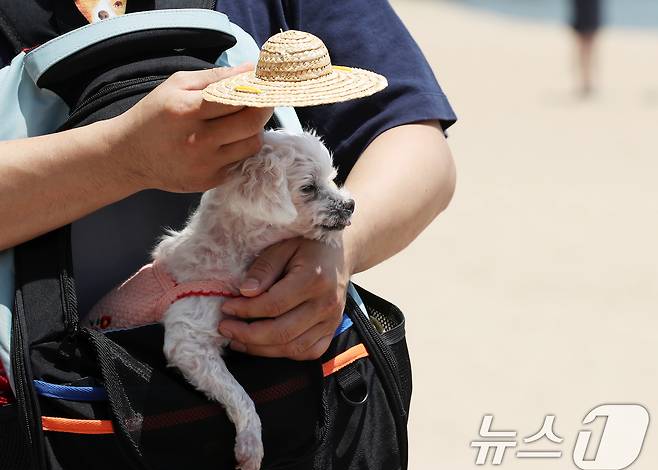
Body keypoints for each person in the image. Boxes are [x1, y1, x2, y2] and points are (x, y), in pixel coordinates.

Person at [0, 0, 456, 404]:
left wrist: (339, 250)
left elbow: (417, 142)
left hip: (281, 405)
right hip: (49, 410)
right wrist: (124, 158)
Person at [570, 0, 603, 96]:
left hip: (587, 7)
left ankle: (587, 80)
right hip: (583, 7)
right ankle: (586, 81)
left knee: (587, 45)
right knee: (585, 45)